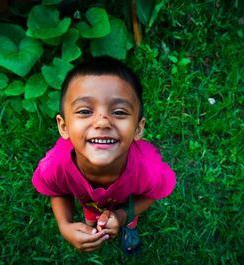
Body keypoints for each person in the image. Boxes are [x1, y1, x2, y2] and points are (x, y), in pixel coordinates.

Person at [32, 56, 176, 254]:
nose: (102, 122)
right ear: (63, 127)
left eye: (119, 112)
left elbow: (152, 194)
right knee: (92, 219)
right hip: (90, 203)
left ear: (137, 129)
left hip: (127, 205)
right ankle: (93, 229)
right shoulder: (54, 165)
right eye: (84, 111)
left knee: (128, 220)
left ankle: (129, 229)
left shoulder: (149, 169)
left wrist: (122, 216)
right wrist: (65, 226)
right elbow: (58, 191)